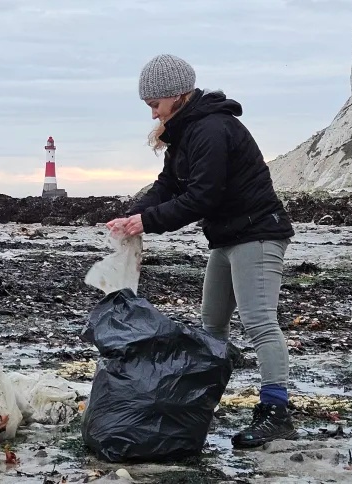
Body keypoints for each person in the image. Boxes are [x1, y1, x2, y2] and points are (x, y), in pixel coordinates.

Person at [107, 54, 297, 449]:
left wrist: (148, 222)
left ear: (176, 95)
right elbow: (168, 186)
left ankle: (276, 412)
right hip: (226, 238)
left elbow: (203, 197)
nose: (152, 114)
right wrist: (132, 216)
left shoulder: (212, 129)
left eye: (154, 105)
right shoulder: (185, 133)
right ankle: (200, 403)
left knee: (259, 321)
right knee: (211, 325)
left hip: (258, 235)